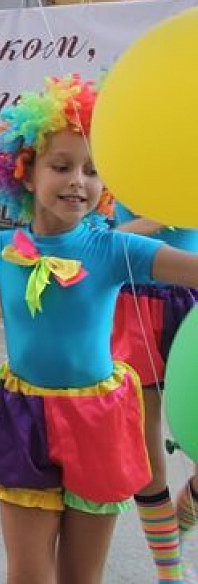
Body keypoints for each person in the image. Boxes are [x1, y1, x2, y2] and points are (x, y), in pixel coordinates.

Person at [0, 74, 198, 584]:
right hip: (25, 418)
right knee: (28, 576)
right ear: (26, 173)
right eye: (61, 166)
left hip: (98, 420)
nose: (78, 180)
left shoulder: (114, 249)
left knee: (82, 577)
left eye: (92, 170)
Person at [109, 202, 197, 581]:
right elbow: (102, 240)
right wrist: (159, 217)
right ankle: (169, 573)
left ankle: (171, 542)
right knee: (146, 447)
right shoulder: (116, 157)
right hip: (134, 302)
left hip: (192, 298)